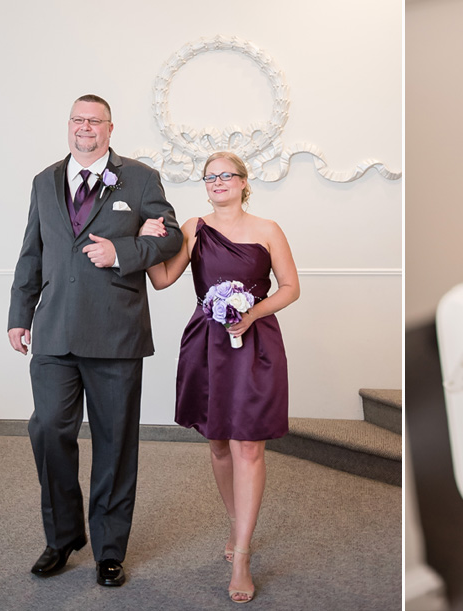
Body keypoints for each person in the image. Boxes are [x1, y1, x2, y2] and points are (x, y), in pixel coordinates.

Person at [7, 94, 183, 587]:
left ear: (110, 128)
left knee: (115, 443)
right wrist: (20, 314)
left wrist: (123, 250)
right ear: (70, 126)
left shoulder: (140, 178)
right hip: (54, 332)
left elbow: (171, 239)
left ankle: (109, 549)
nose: (85, 127)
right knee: (48, 430)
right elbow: (32, 252)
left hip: (116, 334)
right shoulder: (45, 180)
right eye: (78, 120)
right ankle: (62, 538)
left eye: (95, 121)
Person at [140, 151, 299, 603]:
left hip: (256, 344)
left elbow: (291, 286)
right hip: (206, 344)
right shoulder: (193, 228)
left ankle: (244, 553)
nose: (218, 182)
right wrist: (148, 241)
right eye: (211, 177)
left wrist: (252, 314)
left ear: (244, 182)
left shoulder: (268, 230)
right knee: (216, 442)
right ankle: (235, 523)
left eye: (227, 175)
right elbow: (164, 279)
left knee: (247, 443)